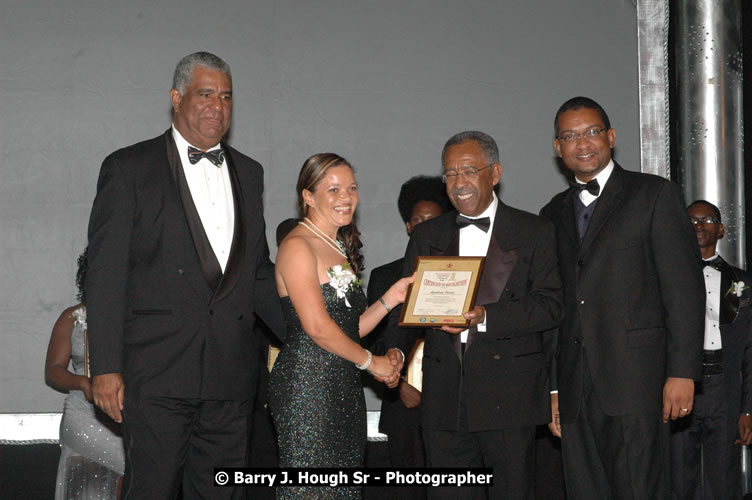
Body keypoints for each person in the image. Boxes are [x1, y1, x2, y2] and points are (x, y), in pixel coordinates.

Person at [84, 51, 284, 499]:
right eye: (206, 93)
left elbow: (254, 274)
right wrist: (107, 367)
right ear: (176, 98)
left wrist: (312, 329)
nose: (218, 106)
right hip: (154, 375)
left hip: (230, 378)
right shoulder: (128, 168)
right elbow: (106, 275)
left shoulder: (250, 173)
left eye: (227, 96)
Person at [539, 96, 705, 499]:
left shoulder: (654, 195)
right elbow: (554, 307)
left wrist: (683, 372)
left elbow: (683, 290)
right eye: (570, 136)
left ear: (611, 137)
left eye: (592, 131)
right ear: (558, 148)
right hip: (576, 388)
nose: (583, 143)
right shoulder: (549, 214)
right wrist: (554, 389)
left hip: (639, 382)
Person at [386, 131, 564, 500]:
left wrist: (485, 316)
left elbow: (551, 305)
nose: (458, 183)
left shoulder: (535, 231)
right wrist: (397, 355)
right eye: (450, 174)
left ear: (494, 173)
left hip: (509, 398)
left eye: (468, 170)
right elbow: (405, 304)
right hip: (443, 401)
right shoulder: (426, 235)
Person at [268, 153, 413, 499]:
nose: (345, 197)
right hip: (307, 389)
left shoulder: (335, 246)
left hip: (341, 388)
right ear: (308, 196)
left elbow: (348, 329)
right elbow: (317, 327)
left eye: (351, 188)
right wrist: (370, 362)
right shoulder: (297, 246)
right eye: (332, 189)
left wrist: (389, 299)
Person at [366, 175, 449, 497]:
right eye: (418, 220)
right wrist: (399, 384)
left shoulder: (459, 275)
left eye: (434, 220)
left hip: (450, 401)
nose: (426, 226)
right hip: (402, 403)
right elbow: (373, 342)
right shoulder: (386, 276)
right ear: (407, 225)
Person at [670, 200, 752, 499]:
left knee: (724, 477)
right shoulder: (663, 279)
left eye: (707, 220)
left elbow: (749, 350)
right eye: (691, 220)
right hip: (680, 383)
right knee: (678, 476)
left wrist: (748, 408)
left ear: (720, 230)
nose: (699, 225)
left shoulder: (743, 282)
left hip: (724, 388)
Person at [46, 248, 125, 499]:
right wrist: (83, 383)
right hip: (85, 419)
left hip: (132, 421)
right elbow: (53, 371)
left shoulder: (141, 318)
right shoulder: (72, 317)